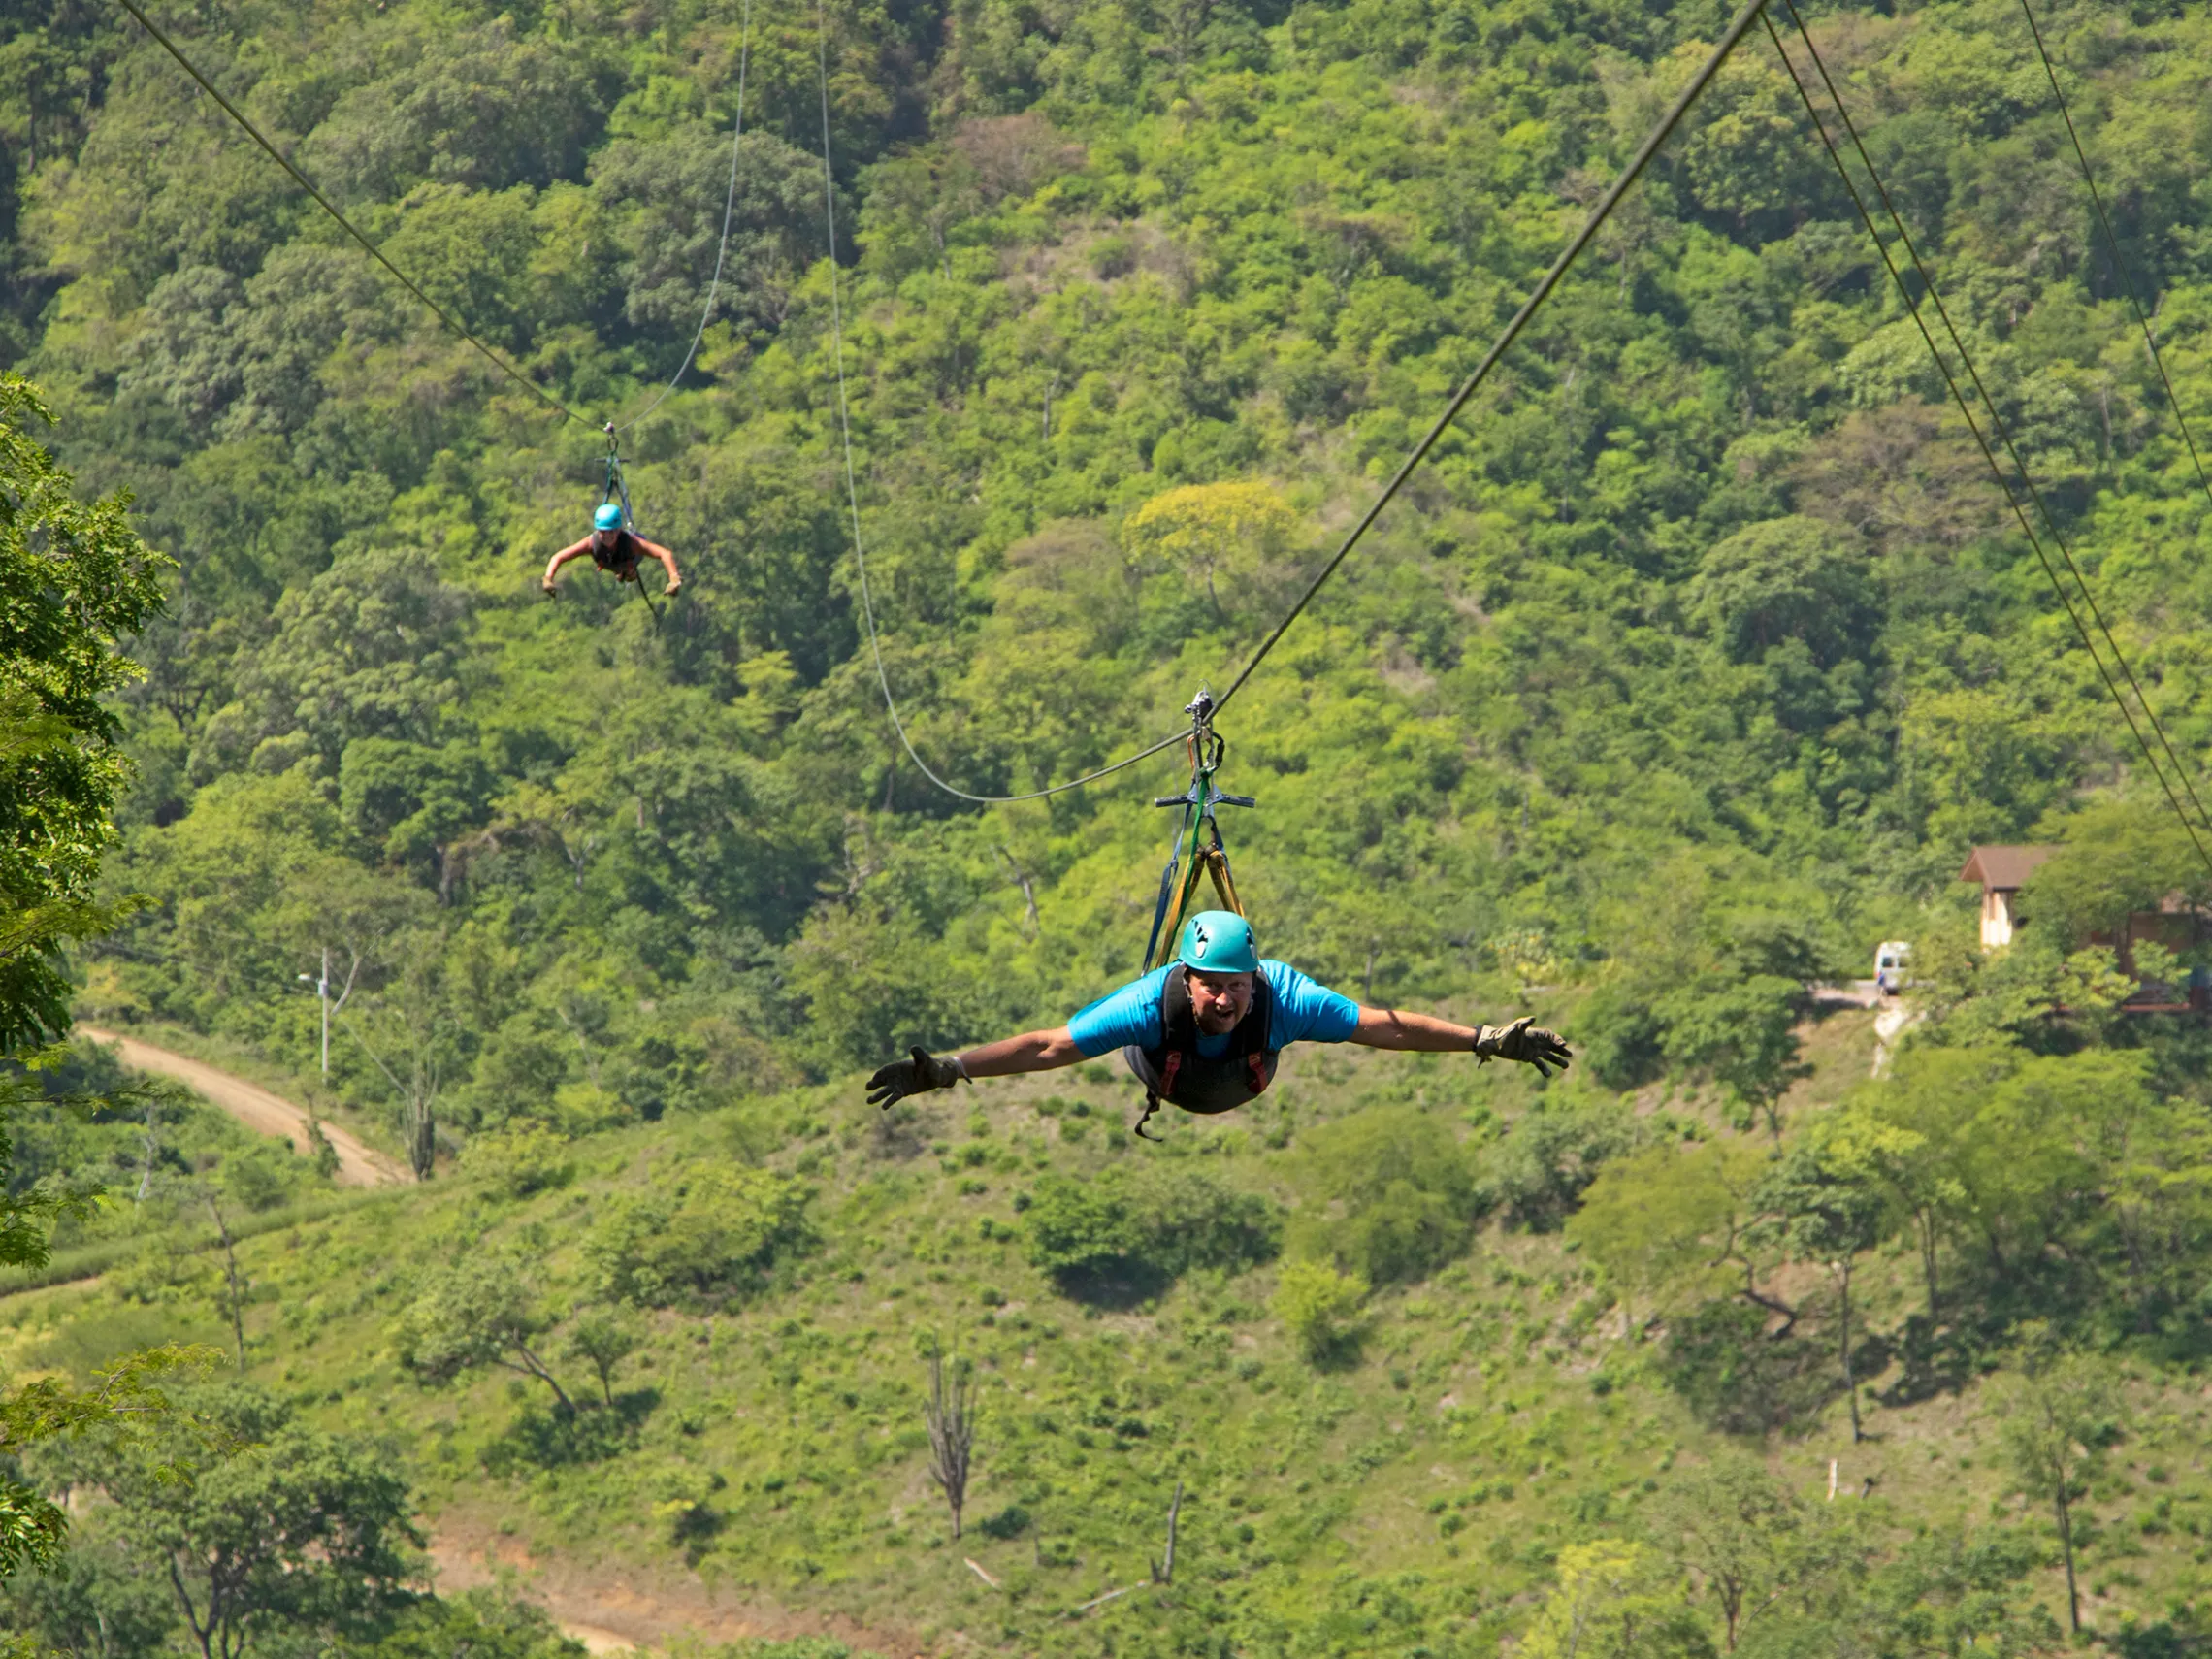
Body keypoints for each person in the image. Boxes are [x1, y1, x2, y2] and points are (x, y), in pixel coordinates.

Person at [864, 909, 1570, 1133]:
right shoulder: (1150, 1003)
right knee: (1115, 1038)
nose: (1229, 1000)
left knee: (1317, 1017)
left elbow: (1386, 1027)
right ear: (1187, 980)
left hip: (1239, 1079)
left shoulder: (1285, 999)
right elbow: (1048, 1046)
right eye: (1214, 990)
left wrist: (1481, 1039)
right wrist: (952, 1068)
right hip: (1167, 1073)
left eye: (1238, 987)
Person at [542, 504, 683, 598]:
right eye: (603, 532)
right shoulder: (591, 543)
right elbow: (558, 557)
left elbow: (664, 553)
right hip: (610, 562)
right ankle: (622, 573)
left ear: (619, 530)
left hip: (630, 558)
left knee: (629, 572)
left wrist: (674, 578)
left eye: (612, 532)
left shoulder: (632, 543)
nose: (608, 536)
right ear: (598, 531)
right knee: (622, 570)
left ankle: (627, 573)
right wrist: (548, 579)